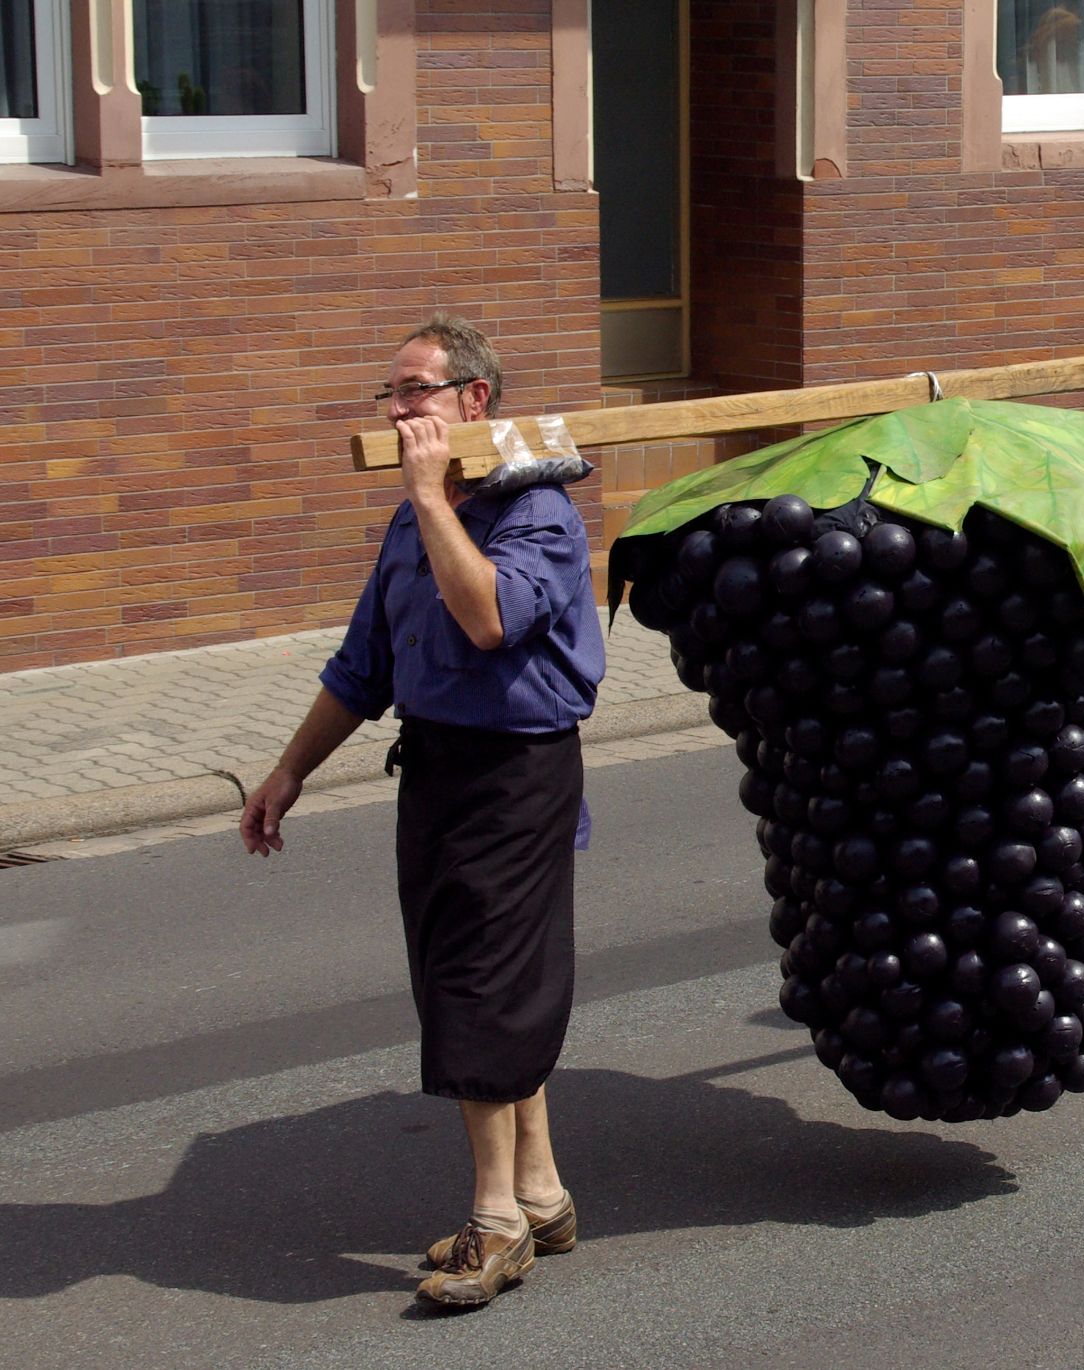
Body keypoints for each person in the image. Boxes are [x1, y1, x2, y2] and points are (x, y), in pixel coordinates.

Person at [239, 315, 605, 1305]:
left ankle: (494, 1226)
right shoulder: (415, 520)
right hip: (438, 767)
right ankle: (539, 1189)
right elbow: (364, 665)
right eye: (390, 394)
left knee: (481, 983)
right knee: (470, 973)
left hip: (517, 772)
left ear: (471, 402)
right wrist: (289, 770)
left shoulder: (538, 512)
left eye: (413, 392)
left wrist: (426, 496)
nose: (396, 409)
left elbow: (487, 617)